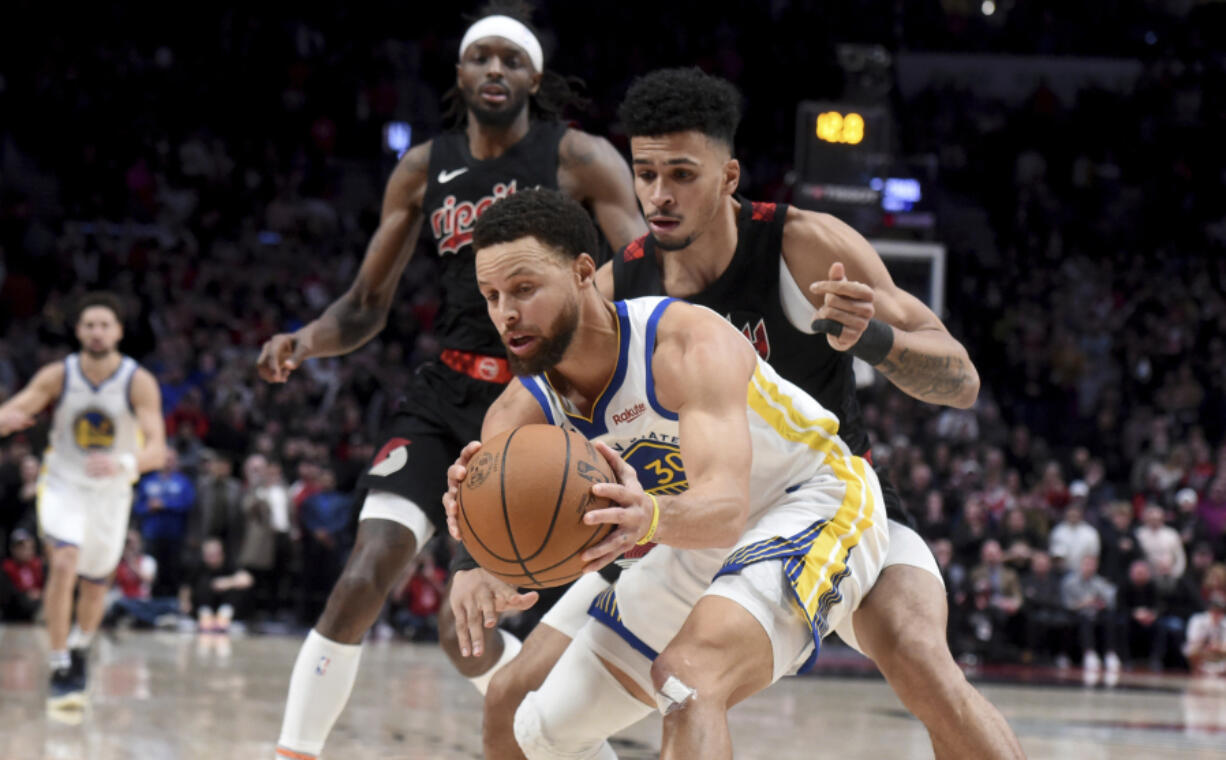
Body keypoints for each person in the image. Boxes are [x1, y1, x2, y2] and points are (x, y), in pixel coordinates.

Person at [452, 68, 1022, 760]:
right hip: (674, 520)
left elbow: (959, 379)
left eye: (682, 174)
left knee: (915, 657)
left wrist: (876, 340)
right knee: (516, 706)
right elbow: (525, 440)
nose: (659, 195)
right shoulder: (605, 292)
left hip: (811, 493)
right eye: (646, 173)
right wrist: (484, 557)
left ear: (728, 176)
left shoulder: (802, 248)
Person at [258, 8, 643, 754]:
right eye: (479, 58)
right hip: (447, 394)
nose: (494, 71)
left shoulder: (581, 158)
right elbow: (367, 306)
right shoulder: (422, 167)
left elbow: (643, 279)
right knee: (367, 571)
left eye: (509, 60)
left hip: (544, 406)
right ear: (460, 74)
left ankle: (564, 733)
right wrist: (304, 342)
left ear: (533, 77)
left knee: (465, 634)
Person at [447, 186, 890, 760]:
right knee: (539, 736)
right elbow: (503, 525)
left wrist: (647, 517)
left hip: (807, 501)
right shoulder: (517, 413)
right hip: (683, 537)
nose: (506, 312)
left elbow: (726, 510)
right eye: (492, 295)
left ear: (584, 273)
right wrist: (478, 562)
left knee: (688, 681)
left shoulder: (683, 343)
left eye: (525, 289)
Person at [0, 291, 167, 708]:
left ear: (119, 332)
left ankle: (80, 647)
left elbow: (158, 451)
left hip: (111, 492)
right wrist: (5, 419)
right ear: (78, 331)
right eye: (89, 325)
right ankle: (58, 660)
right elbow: (17, 408)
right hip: (63, 485)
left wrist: (123, 463)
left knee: (95, 586)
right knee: (63, 561)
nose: (96, 332)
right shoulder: (59, 374)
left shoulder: (137, 380)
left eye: (104, 325)